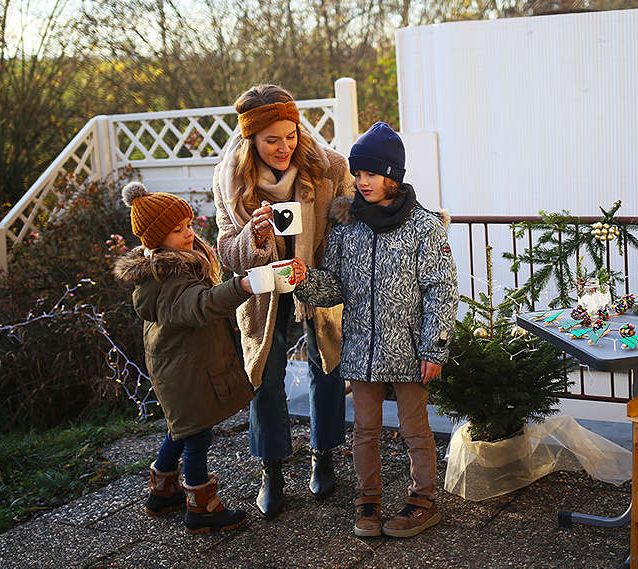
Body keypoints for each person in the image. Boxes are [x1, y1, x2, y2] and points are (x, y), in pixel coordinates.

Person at [293, 122, 458, 538]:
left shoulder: (424, 227)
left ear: (393, 175)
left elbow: (442, 289)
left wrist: (434, 348)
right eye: (357, 173)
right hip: (361, 350)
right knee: (364, 430)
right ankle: (367, 501)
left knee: (414, 429)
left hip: (410, 350)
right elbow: (333, 287)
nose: (362, 181)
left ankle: (423, 501)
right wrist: (302, 279)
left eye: (371, 173)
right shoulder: (346, 226)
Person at [212, 84, 354, 519]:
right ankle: (271, 470)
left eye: (290, 136)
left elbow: (352, 224)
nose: (284, 147)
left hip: (315, 279)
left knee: (326, 367)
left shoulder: (328, 167)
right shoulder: (231, 179)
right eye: (271, 139)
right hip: (264, 291)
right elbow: (226, 252)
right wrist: (253, 237)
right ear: (250, 139)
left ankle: (323, 454)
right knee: (264, 376)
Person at [113, 181, 256, 534]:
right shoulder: (168, 276)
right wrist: (241, 287)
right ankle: (201, 507)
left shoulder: (169, 266)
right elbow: (200, 305)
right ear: (156, 239)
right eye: (178, 230)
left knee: (182, 426)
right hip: (183, 368)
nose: (189, 233)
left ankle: (162, 492)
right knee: (196, 434)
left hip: (179, 363)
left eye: (189, 225)